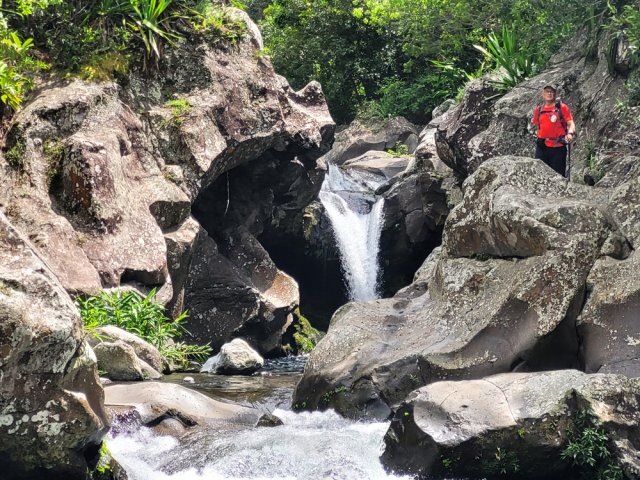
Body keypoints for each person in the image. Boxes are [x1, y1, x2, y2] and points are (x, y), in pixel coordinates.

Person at [532, 84, 577, 177]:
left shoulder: (561, 107)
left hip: (558, 147)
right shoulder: (539, 109)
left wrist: (570, 133)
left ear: (555, 94)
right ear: (543, 94)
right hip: (542, 147)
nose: (549, 93)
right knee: (539, 175)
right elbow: (538, 126)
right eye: (547, 91)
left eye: (551, 92)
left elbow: (571, 123)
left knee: (558, 176)